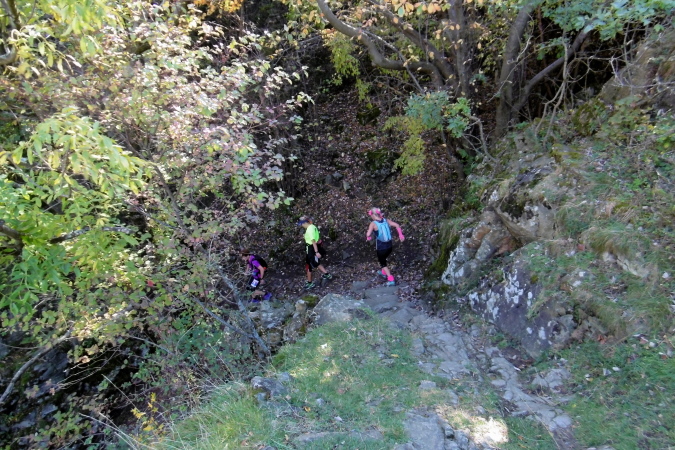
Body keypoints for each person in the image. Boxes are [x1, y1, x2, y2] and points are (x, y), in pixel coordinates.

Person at [365, 207, 405, 286]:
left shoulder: (373, 224)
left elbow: (368, 234)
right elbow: (397, 225)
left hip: (381, 247)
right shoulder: (386, 220)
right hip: (389, 246)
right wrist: (401, 235)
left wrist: (368, 237)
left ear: (373, 215)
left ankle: (391, 279)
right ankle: (383, 272)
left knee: (382, 263)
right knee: (384, 258)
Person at [297, 216, 333, 290]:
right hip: (313, 247)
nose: (301, 225)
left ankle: (310, 283)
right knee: (314, 262)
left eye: (301, 224)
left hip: (311, 248)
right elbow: (316, 238)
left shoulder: (309, 230)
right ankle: (326, 274)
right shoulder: (313, 226)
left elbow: (313, 241)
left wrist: (316, 252)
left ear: (304, 223)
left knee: (310, 265)